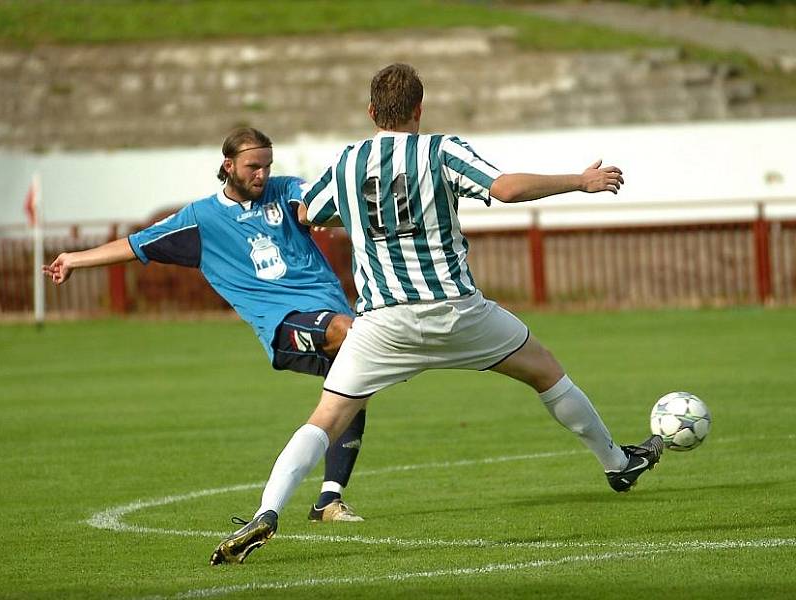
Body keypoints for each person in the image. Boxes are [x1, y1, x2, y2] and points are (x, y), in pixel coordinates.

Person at [208, 64, 663, 566]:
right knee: (546, 372)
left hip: (381, 322)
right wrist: (580, 180)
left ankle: (267, 511)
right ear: (420, 110)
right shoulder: (440, 150)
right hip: (456, 312)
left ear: (371, 112)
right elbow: (505, 188)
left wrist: (358, 210)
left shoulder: (349, 161)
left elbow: (310, 213)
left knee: (326, 418)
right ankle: (617, 463)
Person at [43, 127, 369, 526]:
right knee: (353, 340)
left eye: (267, 166)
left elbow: (311, 207)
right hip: (285, 325)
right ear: (228, 165)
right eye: (253, 167)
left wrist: (329, 209)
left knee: (353, 382)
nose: (262, 175)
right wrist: (74, 258)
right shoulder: (202, 220)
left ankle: (328, 501)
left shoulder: (286, 190)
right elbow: (135, 244)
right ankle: (281, 507)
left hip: (334, 313)